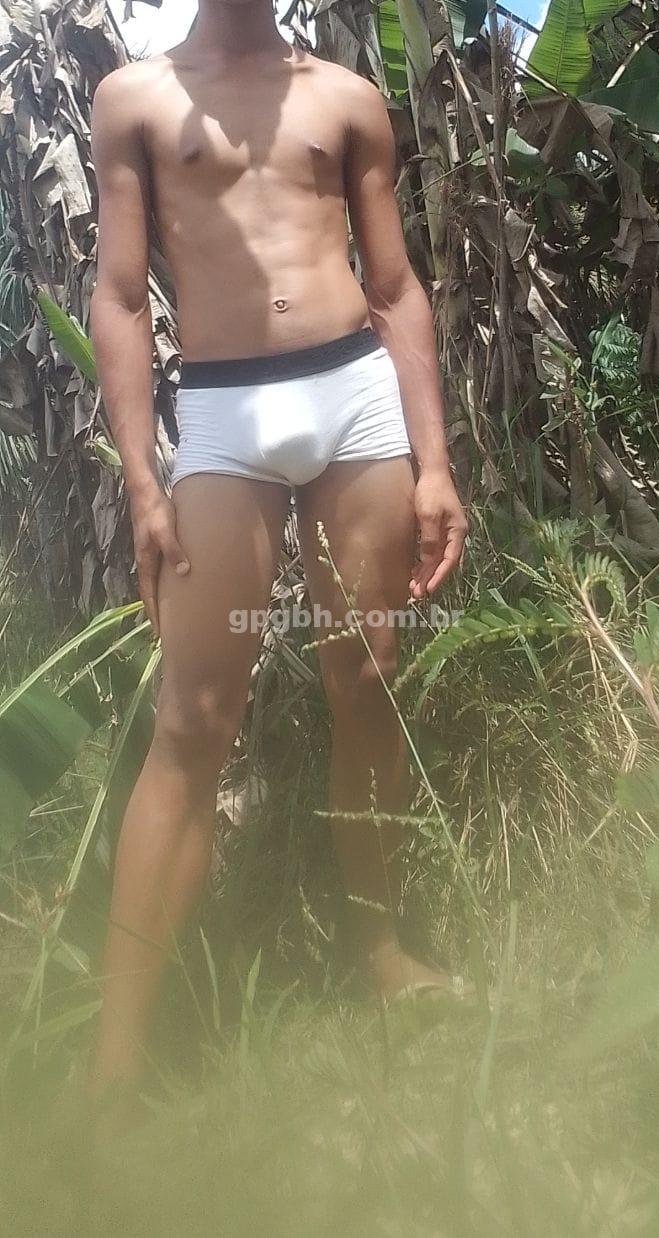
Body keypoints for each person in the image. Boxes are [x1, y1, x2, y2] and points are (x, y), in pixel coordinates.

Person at [89, 0, 469, 1104]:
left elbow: (394, 287)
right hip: (224, 410)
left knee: (367, 683)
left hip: (354, 397)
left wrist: (434, 462)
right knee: (192, 721)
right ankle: (112, 1063)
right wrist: (142, 482)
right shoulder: (135, 99)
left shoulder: (346, 98)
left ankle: (382, 953)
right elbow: (119, 296)